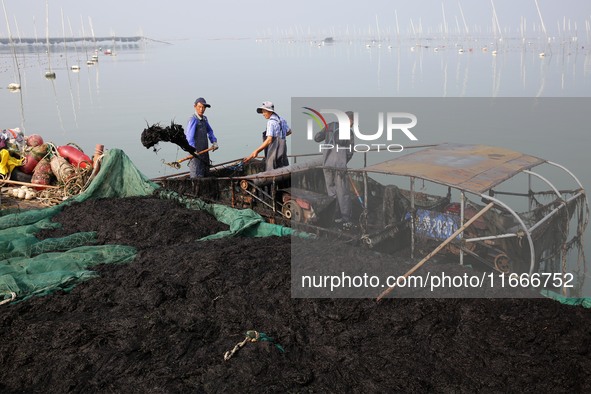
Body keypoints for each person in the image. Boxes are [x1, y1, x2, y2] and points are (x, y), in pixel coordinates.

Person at [314, 111, 355, 229]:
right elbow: (350, 151)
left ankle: (335, 216)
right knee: (343, 192)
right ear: (350, 120)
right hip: (339, 166)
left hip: (327, 164)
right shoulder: (349, 132)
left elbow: (317, 138)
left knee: (331, 192)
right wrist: (343, 161)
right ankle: (346, 219)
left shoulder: (330, 126)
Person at [244, 101, 291, 172]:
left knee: (271, 171)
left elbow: (269, 140)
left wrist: (256, 151)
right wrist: (280, 136)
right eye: (262, 112)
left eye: (264, 111)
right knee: (283, 170)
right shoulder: (282, 119)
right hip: (283, 152)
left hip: (273, 152)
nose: (263, 114)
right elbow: (289, 131)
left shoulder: (270, 122)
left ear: (269, 111)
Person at [185, 97, 218, 178]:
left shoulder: (204, 119)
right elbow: (189, 137)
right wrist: (192, 150)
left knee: (206, 173)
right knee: (196, 175)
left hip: (204, 152)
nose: (201, 109)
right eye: (199, 107)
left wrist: (214, 142)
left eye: (203, 107)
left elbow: (210, 131)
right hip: (196, 154)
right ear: (195, 106)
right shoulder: (193, 120)